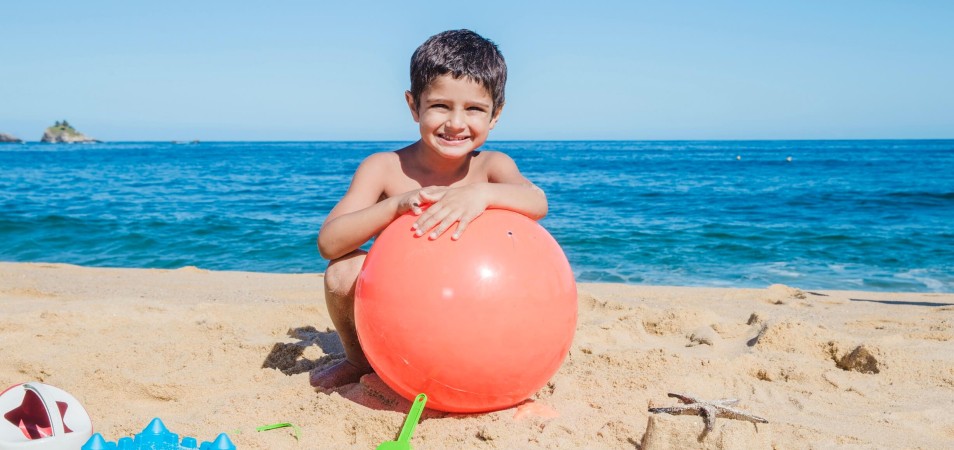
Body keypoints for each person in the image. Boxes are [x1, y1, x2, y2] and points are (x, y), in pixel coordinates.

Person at [310, 29, 548, 389]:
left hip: (478, 307)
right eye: (440, 106)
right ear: (413, 105)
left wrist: (481, 195)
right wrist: (395, 205)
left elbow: (537, 201)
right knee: (343, 272)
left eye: (474, 109)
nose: (455, 123)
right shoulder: (384, 168)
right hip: (407, 308)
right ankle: (359, 360)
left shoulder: (492, 168)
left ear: (495, 115)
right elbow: (330, 243)